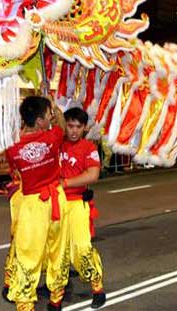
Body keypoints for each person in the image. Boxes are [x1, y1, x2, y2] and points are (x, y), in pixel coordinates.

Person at [4, 96, 69, 311]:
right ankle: (56, 297)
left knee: (28, 253)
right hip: (56, 199)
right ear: (40, 120)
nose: (51, 116)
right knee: (57, 249)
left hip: (32, 203)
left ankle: (25, 303)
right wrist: (56, 108)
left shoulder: (12, 147)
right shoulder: (53, 137)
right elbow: (62, 126)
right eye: (47, 114)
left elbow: (15, 171)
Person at [59, 107, 106, 308]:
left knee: (81, 248)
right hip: (54, 205)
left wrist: (66, 183)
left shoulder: (89, 148)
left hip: (77, 203)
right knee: (57, 251)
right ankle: (57, 292)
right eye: (70, 126)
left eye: (78, 127)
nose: (74, 131)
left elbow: (93, 175)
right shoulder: (57, 142)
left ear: (84, 128)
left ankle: (97, 288)